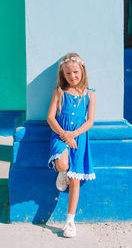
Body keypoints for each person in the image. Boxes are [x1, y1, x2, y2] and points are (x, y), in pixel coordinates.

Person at [46, 52, 96, 238]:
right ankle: (62, 171)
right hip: (60, 136)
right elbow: (50, 118)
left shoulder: (90, 95)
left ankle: (69, 222)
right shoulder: (59, 92)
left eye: (75, 72)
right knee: (62, 164)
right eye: (68, 73)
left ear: (82, 71)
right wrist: (65, 135)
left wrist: (74, 134)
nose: (72, 76)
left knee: (75, 180)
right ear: (63, 75)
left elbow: (90, 121)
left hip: (79, 138)